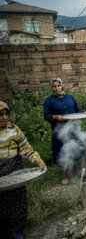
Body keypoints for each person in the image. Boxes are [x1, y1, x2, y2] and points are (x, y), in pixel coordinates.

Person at [0, 101, 46, 239]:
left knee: (16, 201)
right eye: (0, 114)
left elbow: (26, 148)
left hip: (14, 168)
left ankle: (15, 230)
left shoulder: (14, 129)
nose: (4, 118)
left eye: (6, 114)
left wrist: (37, 160)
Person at [43, 77, 84, 185]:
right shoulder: (49, 101)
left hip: (73, 128)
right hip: (59, 131)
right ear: (52, 88)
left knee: (77, 148)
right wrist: (55, 117)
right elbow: (46, 116)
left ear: (62, 86)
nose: (57, 88)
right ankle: (65, 175)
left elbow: (77, 109)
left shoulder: (70, 97)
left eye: (58, 85)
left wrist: (82, 113)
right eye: (54, 86)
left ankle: (79, 172)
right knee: (63, 151)